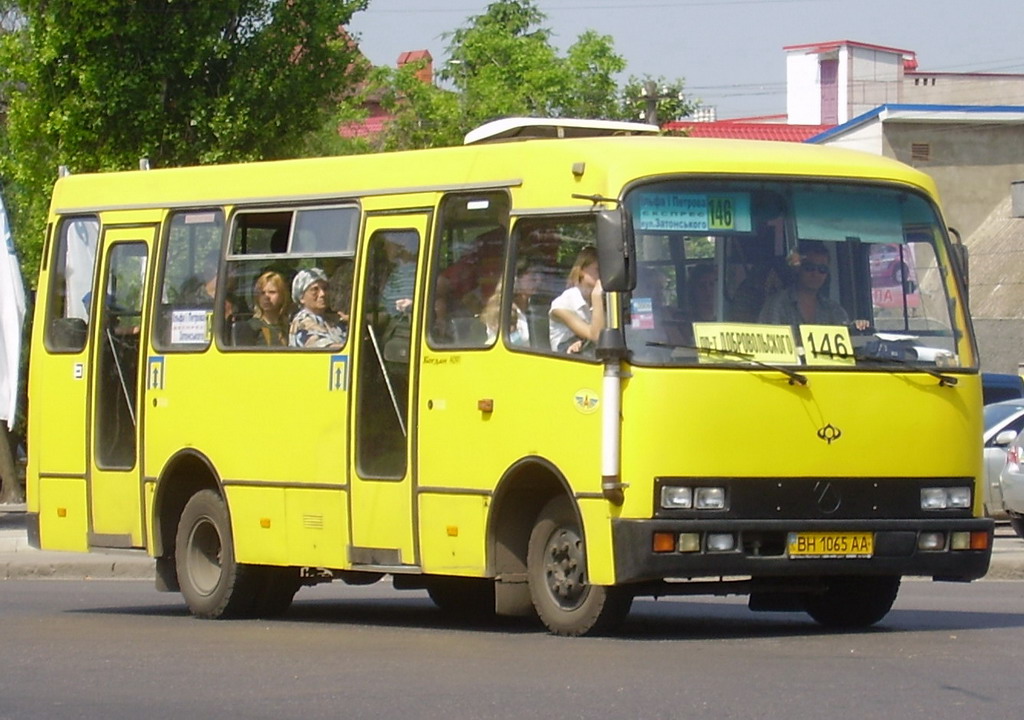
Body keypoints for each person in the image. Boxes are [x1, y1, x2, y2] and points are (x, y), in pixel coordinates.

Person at [758, 240, 866, 328]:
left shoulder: (834, 310)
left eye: (822, 269)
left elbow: (846, 339)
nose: (815, 273)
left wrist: (857, 327)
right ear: (798, 268)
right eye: (809, 267)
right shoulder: (778, 304)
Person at [549, 246, 604, 354]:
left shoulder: (595, 300)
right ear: (582, 271)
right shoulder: (562, 304)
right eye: (598, 270)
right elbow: (597, 336)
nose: (602, 276)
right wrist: (597, 297)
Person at [480, 257, 544, 345]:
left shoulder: (537, 308)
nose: (539, 280)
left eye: (541, 275)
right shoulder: (501, 309)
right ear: (515, 279)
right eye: (532, 276)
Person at [289, 267, 347, 348]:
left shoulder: (331, 319)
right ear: (301, 297)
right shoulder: (302, 322)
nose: (322, 294)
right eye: (314, 290)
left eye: (325, 288)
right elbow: (328, 349)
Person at [248, 271, 293, 346]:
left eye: (272, 292)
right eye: (262, 293)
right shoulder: (251, 327)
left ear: (283, 296)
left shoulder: (290, 327)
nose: (266, 297)